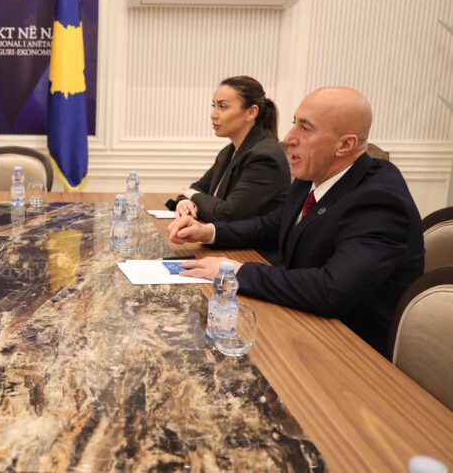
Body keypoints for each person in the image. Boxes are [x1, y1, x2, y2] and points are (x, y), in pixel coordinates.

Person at [169, 87, 424, 354]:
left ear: (345, 145)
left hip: (351, 350)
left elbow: (331, 289)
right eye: (294, 123)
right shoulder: (312, 176)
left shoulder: (380, 200)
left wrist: (238, 271)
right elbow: (272, 225)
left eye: (305, 128)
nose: (289, 138)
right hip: (303, 323)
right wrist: (209, 231)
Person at [167, 76, 290, 223]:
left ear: (251, 112)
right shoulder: (229, 151)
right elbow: (199, 187)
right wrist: (184, 201)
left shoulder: (264, 157)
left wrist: (189, 194)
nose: (213, 115)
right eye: (214, 106)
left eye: (223, 106)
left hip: (249, 239)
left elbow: (227, 214)